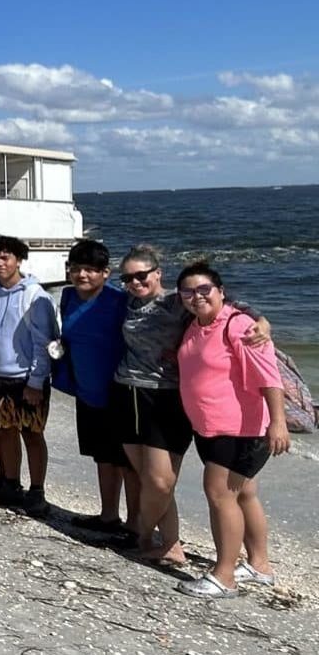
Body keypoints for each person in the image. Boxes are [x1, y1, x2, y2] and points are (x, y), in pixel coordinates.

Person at [112, 245, 270, 567]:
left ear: (158, 273)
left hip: (168, 397)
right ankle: (169, 544)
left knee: (161, 480)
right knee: (145, 474)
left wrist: (263, 322)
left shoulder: (179, 301)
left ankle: (144, 534)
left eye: (141, 275)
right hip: (126, 392)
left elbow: (229, 306)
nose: (134, 283)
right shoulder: (126, 302)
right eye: (127, 278)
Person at [174, 263, 289, 599]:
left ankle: (223, 576)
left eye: (204, 290)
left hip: (242, 430)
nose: (196, 297)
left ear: (221, 292)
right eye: (188, 292)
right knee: (245, 494)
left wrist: (278, 423)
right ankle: (259, 566)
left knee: (220, 494)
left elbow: (270, 377)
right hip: (210, 428)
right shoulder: (194, 325)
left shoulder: (240, 326)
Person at [0, 235, 58, 516]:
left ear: (18, 259)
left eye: (5, 257)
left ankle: (37, 492)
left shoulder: (36, 296)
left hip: (27, 380)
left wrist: (35, 382)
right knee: (3, 432)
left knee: (32, 435)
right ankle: (9, 485)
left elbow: (44, 344)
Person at [51, 240, 134, 536]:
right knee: (102, 456)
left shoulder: (120, 300)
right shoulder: (68, 296)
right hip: (85, 390)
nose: (82, 275)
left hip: (119, 392)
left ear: (105, 273)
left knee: (127, 461)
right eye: (75, 268)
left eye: (90, 269)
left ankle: (136, 524)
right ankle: (109, 515)